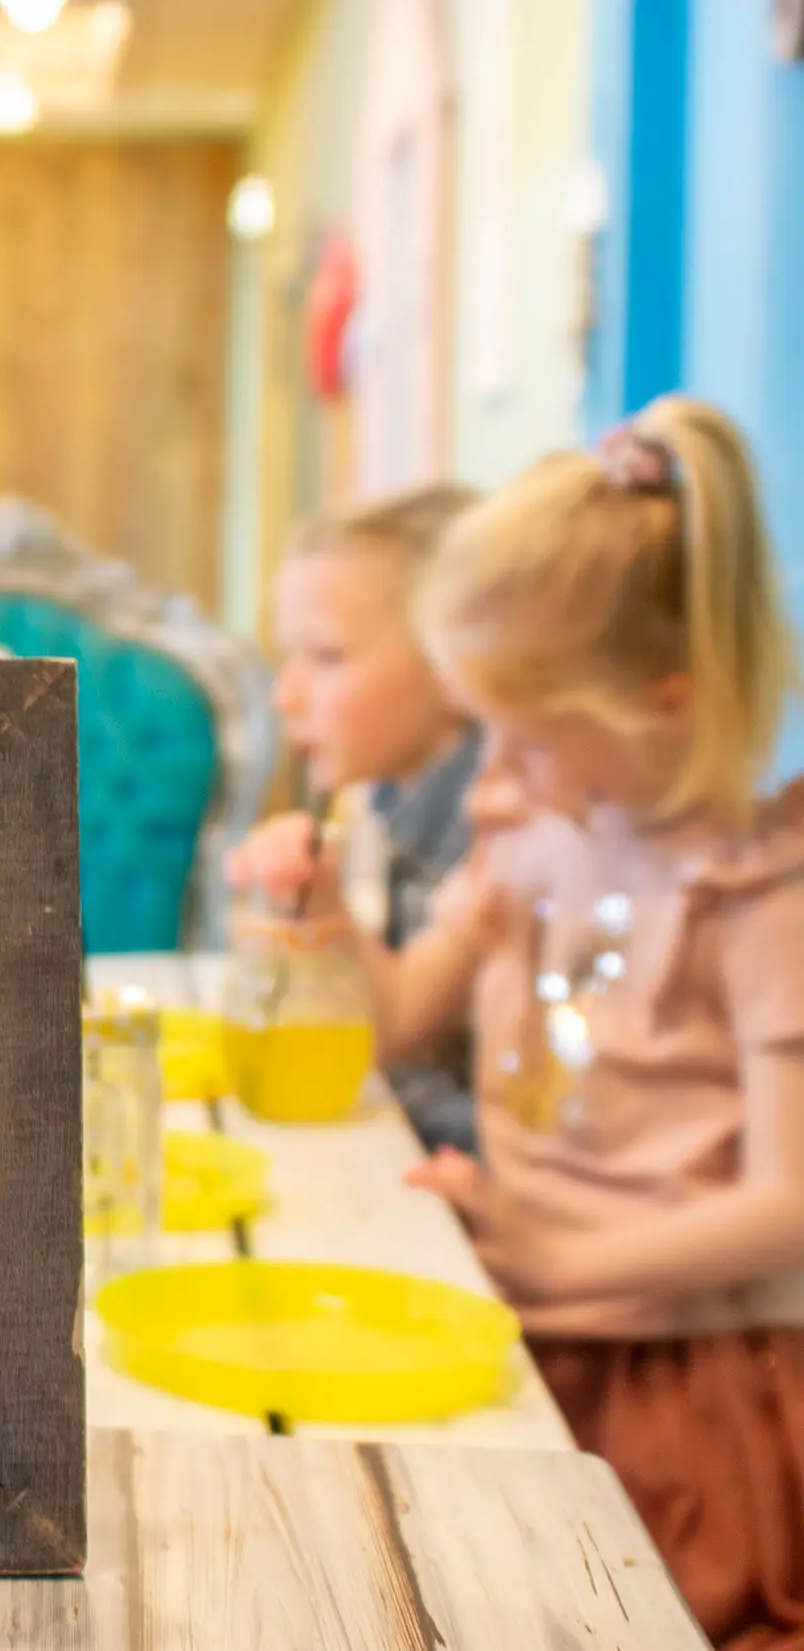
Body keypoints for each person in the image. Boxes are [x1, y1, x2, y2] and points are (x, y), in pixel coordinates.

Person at [258, 399, 804, 1646]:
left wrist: (564, 1266)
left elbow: (783, 1200)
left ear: (660, 704)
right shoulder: (526, 838)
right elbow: (398, 1022)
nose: (488, 775)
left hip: (679, 1382)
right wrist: (331, 911)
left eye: (526, 734)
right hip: (518, 1317)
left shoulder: (752, 898)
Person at [227, 485, 484, 1154]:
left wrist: (327, 901)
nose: (287, 695)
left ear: (456, 670)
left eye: (327, 657)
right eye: (290, 657)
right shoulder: (394, 803)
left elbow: (398, 1034)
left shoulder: (493, 819)